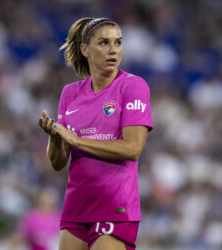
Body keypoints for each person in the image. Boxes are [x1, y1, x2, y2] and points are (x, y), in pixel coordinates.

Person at [38, 17, 153, 250]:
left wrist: (77, 140)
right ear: (85, 49)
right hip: (76, 206)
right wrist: (54, 136)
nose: (113, 50)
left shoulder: (132, 86)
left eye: (118, 42)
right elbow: (58, 163)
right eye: (103, 43)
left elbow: (132, 149)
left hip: (115, 206)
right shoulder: (70, 93)